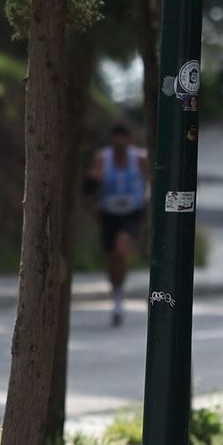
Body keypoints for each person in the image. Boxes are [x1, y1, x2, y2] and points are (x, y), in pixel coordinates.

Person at [87, 124, 148, 326]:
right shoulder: (102, 159)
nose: (118, 146)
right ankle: (116, 295)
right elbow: (88, 188)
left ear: (128, 142)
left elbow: (151, 179)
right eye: (115, 142)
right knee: (111, 257)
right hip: (109, 213)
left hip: (131, 212)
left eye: (122, 142)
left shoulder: (139, 158)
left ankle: (119, 298)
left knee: (122, 248)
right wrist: (94, 179)